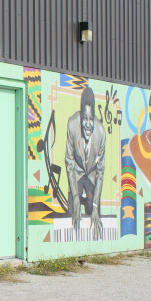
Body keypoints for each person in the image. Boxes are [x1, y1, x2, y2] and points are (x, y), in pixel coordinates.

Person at [65, 86, 106, 240]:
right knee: (72, 210)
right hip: (77, 172)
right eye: (84, 119)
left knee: (94, 211)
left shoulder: (101, 132)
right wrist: (75, 195)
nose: (88, 124)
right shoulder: (72, 125)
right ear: (81, 117)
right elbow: (69, 161)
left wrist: (95, 205)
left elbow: (101, 172)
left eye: (91, 119)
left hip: (92, 175)